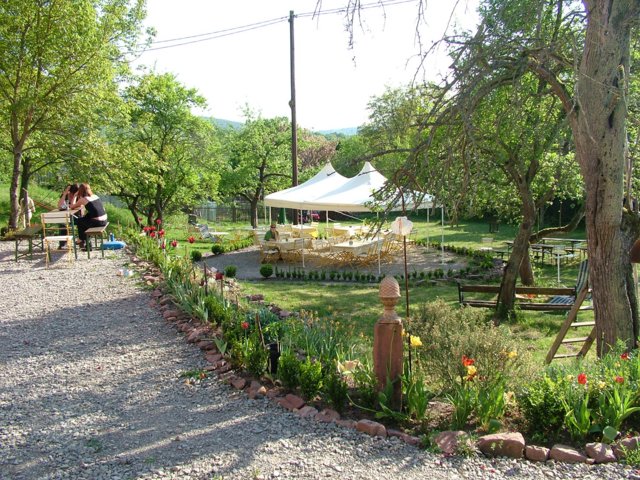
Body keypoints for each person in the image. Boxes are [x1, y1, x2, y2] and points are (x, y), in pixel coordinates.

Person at [70, 183, 108, 249]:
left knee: (79, 221)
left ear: (80, 191)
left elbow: (72, 206)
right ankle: (86, 244)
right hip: (104, 220)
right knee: (84, 218)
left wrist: (75, 195)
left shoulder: (84, 199)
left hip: (97, 223)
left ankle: (81, 239)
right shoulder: (95, 196)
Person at [57, 183, 79, 249]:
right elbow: (59, 206)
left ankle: (82, 242)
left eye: (73, 194)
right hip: (67, 216)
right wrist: (64, 194)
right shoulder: (66, 195)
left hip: (76, 216)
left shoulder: (78, 196)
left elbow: (79, 206)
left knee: (82, 223)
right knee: (63, 224)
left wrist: (75, 197)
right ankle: (62, 244)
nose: (72, 195)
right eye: (71, 193)